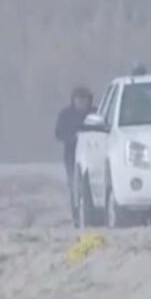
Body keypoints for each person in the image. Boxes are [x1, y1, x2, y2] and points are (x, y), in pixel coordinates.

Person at [54, 86, 95, 225]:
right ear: (73, 100)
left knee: (91, 185)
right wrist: (72, 138)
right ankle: (76, 216)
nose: (82, 103)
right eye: (79, 100)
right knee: (74, 186)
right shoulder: (65, 115)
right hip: (72, 156)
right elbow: (58, 134)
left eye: (84, 100)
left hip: (93, 155)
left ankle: (94, 214)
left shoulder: (95, 114)